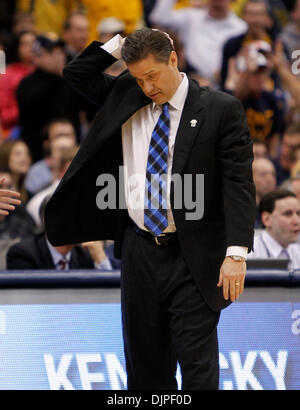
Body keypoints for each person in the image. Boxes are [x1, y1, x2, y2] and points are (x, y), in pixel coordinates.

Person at [45, 28, 256, 390]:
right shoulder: (126, 94)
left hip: (195, 254)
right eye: (139, 78)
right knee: (145, 373)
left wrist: (236, 252)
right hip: (140, 249)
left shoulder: (220, 108)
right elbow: (76, 73)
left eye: (153, 76)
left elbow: (238, 183)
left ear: (173, 59)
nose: (147, 87)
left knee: (198, 370)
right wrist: (119, 42)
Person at [16, 34, 82, 162]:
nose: (59, 56)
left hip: (72, 154)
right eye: (51, 52)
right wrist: (58, 75)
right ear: (37, 57)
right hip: (37, 156)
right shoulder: (27, 84)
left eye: (61, 52)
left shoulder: (69, 81)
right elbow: (33, 106)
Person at [149, 0, 247, 85]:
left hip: (224, 84)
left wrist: (224, 73)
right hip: (189, 80)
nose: (217, 2)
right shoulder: (192, 17)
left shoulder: (241, 27)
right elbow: (158, 18)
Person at [248, 189, 300, 268]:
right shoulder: (247, 254)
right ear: (267, 219)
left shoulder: (297, 252)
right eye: (288, 214)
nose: (297, 221)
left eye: (298, 213)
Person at [0, 30, 36, 139]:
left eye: (33, 43)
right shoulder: (8, 73)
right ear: (18, 48)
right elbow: (4, 112)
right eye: (25, 44)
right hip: (16, 128)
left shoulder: (48, 71)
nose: (30, 47)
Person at [252, 157, 277, 227]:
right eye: (263, 174)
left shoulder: (277, 210)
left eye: (273, 174)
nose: (270, 179)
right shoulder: (242, 210)